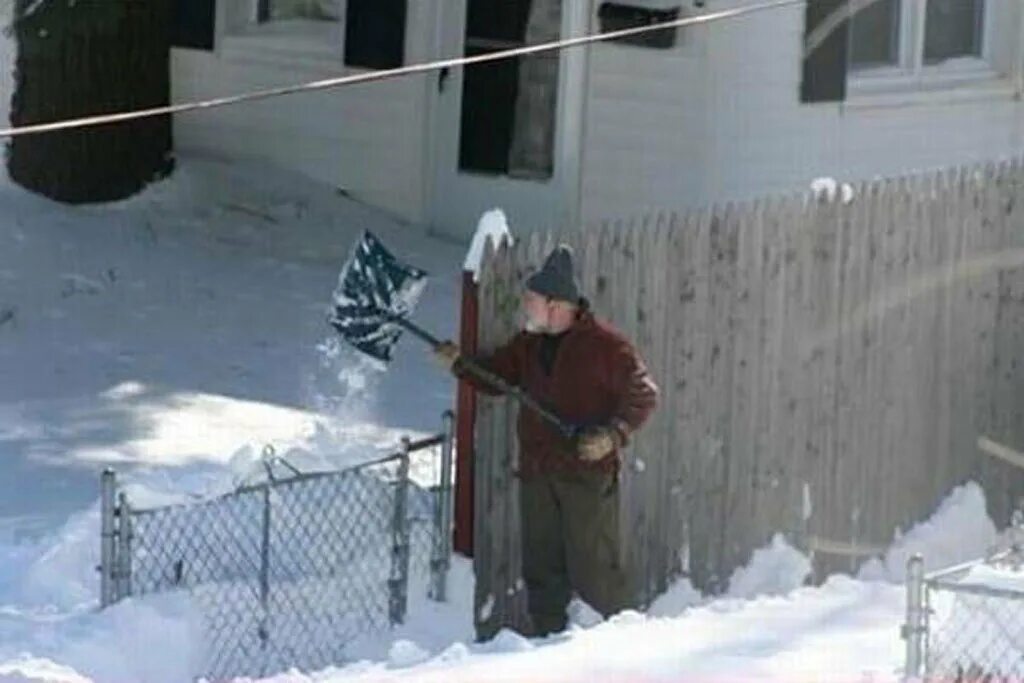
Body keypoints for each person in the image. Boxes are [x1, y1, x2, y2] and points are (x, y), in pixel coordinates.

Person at [434, 244, 659, 637]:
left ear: (556, 304)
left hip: (587, 477)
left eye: (532, 300)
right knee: (541, 570)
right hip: (538, 474)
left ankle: (613, 649)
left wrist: (612, 435)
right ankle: (546, 649)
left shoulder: (607, 347)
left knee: (595, 571)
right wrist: (459, 364)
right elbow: (496, 378)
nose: (527, 306)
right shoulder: (529, 345)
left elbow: (645, 393)